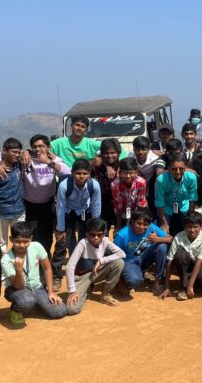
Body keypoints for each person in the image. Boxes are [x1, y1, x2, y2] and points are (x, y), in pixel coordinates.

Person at [1, 222, 67, 324]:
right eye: (17, 242)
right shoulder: (6, 259)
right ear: (11, 239)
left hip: (37, 287)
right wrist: (18, 270)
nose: (22, 245)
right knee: (27, 301)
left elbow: (47, 269)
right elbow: (18, 286)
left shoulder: (37, 246)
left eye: (25, 241)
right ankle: (15, 309)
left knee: (60, 311)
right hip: (16, 289)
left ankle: (39, 303)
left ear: (31, 238)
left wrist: (51, 292)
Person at [52, 159, 101, 290]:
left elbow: (96, 205)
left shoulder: (94, 185)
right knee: (64, 242)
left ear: (89, 174)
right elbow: (60, 207)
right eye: (78, 173)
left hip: (85, 212)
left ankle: (86, 272)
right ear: (72, 173)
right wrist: (60, 229)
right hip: (68, 213)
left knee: (86, 242)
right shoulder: (64, 185)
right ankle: (57, 276)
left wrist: (95, 226)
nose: (81, 176)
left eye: (85, 173)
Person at [18, 134, 69, 253]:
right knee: (31, 234)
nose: (37, 149)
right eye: (34, 146)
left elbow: (67, 172)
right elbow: (1, 155)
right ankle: (33, 259)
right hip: (29, 205)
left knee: (46, 234)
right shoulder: (26, 159)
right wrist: (25, 152)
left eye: (41, 146)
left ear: (48, 147)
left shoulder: (54, 159)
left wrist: (48, 162)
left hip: (48, 204)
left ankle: (45, 258)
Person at [65, 218, 126, 314]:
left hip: (96, 274)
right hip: (82, 278)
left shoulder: (105, 241)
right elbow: (69, 267)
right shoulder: (83, 243)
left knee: (119, 263)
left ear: (104, 234)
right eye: (92, 234)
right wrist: (72, 291)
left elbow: (122, 254)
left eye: (99, 235)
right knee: (72, 309)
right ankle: (86, 291)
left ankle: (105, 295)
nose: (96, 238)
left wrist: (101, 261)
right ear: (87, 234)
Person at [114, 207, 172, 295]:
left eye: (145, 224)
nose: (142, 227)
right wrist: (120, 282)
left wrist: (157, 239)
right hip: (129, 262)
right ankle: (126, 278)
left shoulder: (152, 228)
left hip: (145, 258)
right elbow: (114, 258)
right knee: (134, 281)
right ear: (132, 221)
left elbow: (171, 238)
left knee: (162, 246)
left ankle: (157, 283)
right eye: (139, 223)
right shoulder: (122, 235)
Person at [159, 212, 202, 301]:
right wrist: (166, 287)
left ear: (201, 227)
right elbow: (170, 261)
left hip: (200, 263)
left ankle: (193, 285)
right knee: (179, 255)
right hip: (185, 263)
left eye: (195, 227)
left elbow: (199, 262)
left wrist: (190, 286)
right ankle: (185, 286)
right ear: (184, 226)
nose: (192, 230)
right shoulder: (178, 237)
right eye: (189, 227)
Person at [0, 137, 25, 253]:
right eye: (14, 152)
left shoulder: (19, 166)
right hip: (1, 213)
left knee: (20, 240)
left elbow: (29, 154)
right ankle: (3, 264)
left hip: (19, 212)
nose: (17, 155)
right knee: (1, 243)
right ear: (4, 151)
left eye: (19, 152)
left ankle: (18, 263)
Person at [50, 115, 126, 166]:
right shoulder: (59, 143)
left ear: (86, 131)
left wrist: (112, 166)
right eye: (77, 125)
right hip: (65, 177)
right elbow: (45, 150)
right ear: (71, 126)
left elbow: (121, 150)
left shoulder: (92, 144)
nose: (79, 128)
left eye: (82, 127)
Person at [155, 154, 198, 235]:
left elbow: (192, 198)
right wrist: (164, 224)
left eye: (181, 169)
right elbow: (159, 202)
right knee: (163, 233)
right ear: (168, 168)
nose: (178, 172)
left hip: (184, 207)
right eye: (174, 169)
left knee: (189, 231)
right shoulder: (161, 180)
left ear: (185, 168)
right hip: (167, 208)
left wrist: (189, 219)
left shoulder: (191, 177)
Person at [92, 138, 122, 232]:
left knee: (119, 230)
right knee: (102, 229)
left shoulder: (122, 166)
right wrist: (106, 166)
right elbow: (83, 168)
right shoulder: (97, 166)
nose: (109, 156)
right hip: (102, 202)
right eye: (106, 153)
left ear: (118, 153)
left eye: (113, 153)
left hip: (120, 203)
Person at [111, 157, 147, 228]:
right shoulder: (115, 184)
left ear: (136, 172)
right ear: (120, 173)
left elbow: (140, 202)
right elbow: (118, 205)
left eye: (131, 173)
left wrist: (134, 219)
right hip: (122, 211)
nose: (128, 176)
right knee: (121, 228)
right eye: (125, 173)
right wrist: (118, 225)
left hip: (137, 209)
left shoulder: (141, 182)